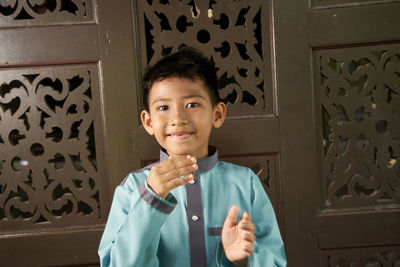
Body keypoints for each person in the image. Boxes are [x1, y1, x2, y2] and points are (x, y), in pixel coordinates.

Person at [98, 47, 286, 267]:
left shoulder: (246, 183)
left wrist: (242, 261)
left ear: (217, 114)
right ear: (148, 122)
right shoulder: (133, 187)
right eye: (164, 107)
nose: (177, 118)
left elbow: (273, 260)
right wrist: (150, 199)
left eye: (192, 104)